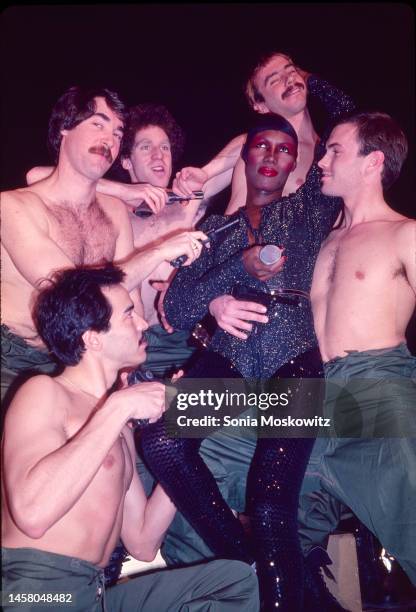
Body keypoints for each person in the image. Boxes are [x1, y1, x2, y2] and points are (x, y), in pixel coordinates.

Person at [139, 112, 349, 612]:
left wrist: (300, 81)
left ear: (297, 160)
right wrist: (236, 269)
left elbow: (345, 117)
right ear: (246, 155)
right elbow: (175, 310)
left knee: (273, 506)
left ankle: (276, 580)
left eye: (284, 148)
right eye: (262, 146)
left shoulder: (309, 207)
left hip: (293, 358)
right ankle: (257, 563)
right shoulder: (216, 227)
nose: (273, 155)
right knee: (162, 440)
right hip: (230, 359)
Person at [1, 264, 259, 611]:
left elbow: (142, 542)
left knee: (235, 584)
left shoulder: (117, 424)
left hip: (96, 593)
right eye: (128, 315)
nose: (142, 323)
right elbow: (32, 514)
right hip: (36, 591)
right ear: (92, 337)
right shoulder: (44, 392)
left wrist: (184, 434)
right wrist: (119, 406)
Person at [1, 86, 207, 412]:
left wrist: (132, 369)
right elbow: (70, 295)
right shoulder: (13, 206)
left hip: (87, 358)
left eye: (117, 131)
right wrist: (157, 252)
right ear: (64, 128)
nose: (110, 139)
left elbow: (132, 303)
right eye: (98, 124)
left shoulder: (113, 212)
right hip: (17, 360)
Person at [297, 111, 416, 586]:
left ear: (373, 162)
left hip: (377, 388)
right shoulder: (324, 242)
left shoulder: (404, 233)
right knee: (191, 413)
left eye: (335, 151)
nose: (322, 160)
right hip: (311, 395)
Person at [173, 51, 352, 214]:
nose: (289, 80)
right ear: (260, 105)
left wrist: (307, 78)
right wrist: (205, 173)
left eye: (291, 72)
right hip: (236, 246)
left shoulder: (327, 155)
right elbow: (195, 191)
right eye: (275, 80)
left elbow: (347, 110)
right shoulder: (251, 149)